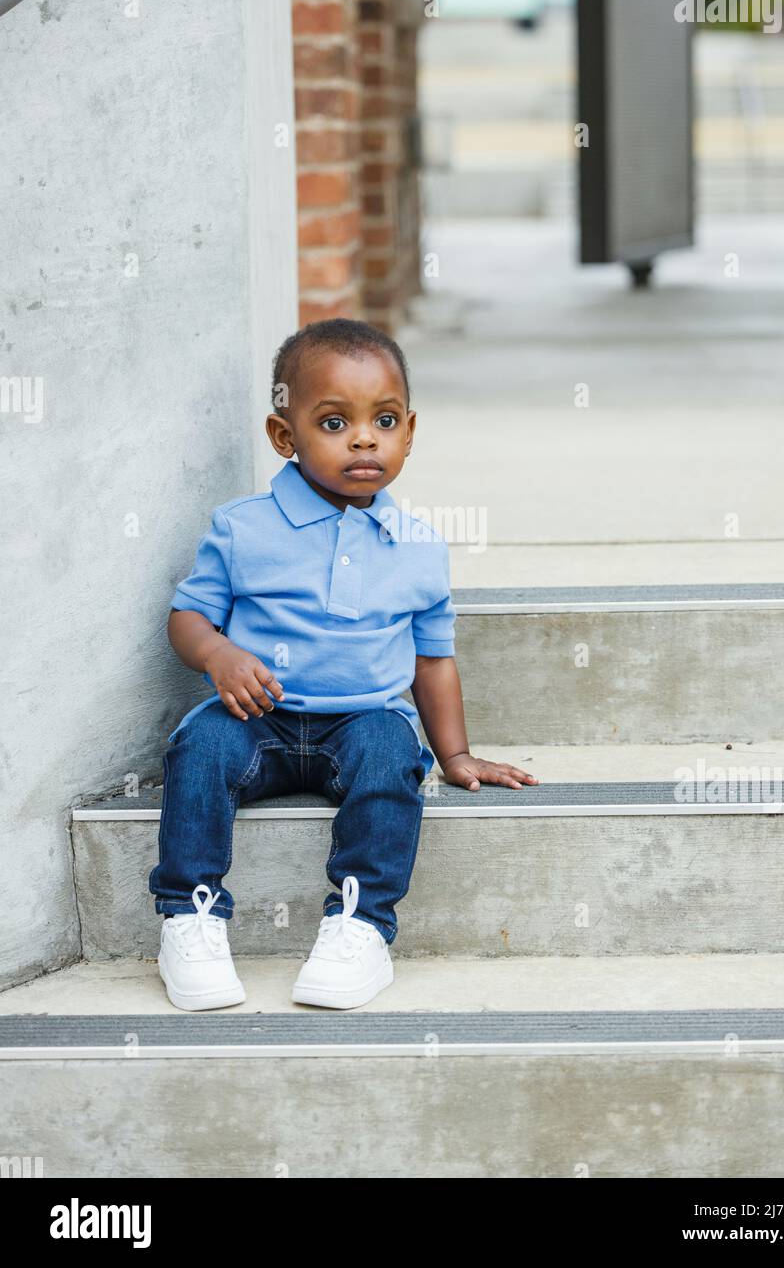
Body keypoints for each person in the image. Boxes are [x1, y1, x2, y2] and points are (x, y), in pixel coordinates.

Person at [148, 318, 538, 1011]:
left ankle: (360, 926)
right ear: (283, 436)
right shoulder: (243, 528)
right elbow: (187, 616)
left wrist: (455, 753)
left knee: (394, 754)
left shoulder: (418, 547)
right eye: (333, 422)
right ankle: (191, 915)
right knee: (198, 746)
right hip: (255, 720)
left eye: (384, 420)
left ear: (409, 432)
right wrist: (217, 653)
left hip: (359, 723)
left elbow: (432, 657)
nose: (364, 438)